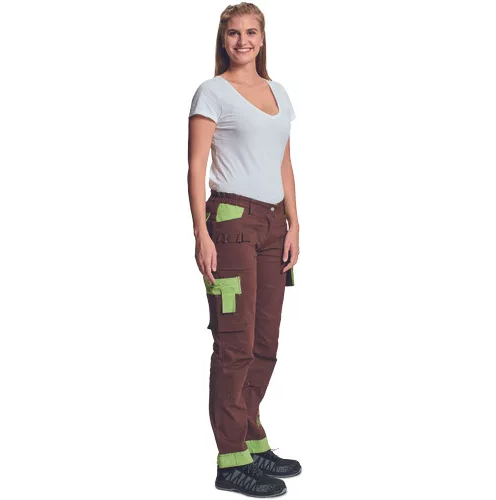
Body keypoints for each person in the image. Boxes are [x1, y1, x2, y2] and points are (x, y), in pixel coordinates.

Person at [187, 3, 301, 497]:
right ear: (223, 39)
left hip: (274, 226)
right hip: (232, 224)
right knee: (235, 343)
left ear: (262, 37)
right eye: (233, 33)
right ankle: (231, 459)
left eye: (251, 32)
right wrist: (201, 234)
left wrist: (295, 223)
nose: (243, 41)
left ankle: (252, 440)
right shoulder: (212, 92)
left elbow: (284, 163)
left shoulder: (279, 92)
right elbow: (196, 167)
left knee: (265, 342)